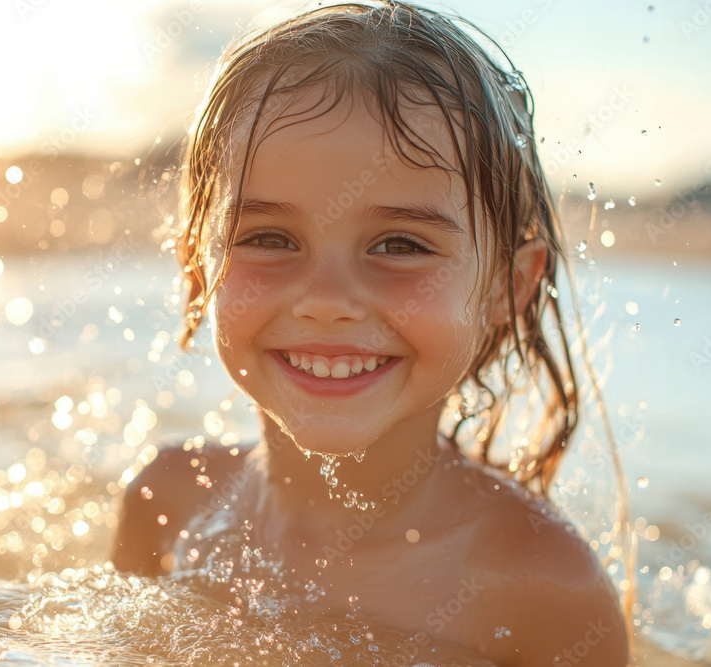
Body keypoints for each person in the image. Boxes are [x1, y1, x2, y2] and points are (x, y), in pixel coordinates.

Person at [113, 2, 630, 664]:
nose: (326, 301)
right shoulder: (167, 499)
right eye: (270, 238)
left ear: (507, 287)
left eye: (399, 244)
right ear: (195, 267)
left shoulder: (541, 585)